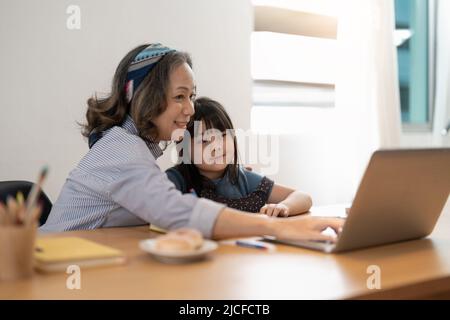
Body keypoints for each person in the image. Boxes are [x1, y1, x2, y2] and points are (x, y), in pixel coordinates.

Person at [40, 43, 344, 243]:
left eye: (192, 96)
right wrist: (280, 228)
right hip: (49, 271)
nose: (191, 108)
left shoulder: (133, 148)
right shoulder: (122, 150)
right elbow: (176, 210)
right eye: (179, 96)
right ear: (146, 97)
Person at [167, 97, 313, 217]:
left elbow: (303, 197)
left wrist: (283, 206)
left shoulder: (241, 177)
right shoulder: (177, 179)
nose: (217, 147)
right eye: (204, 140)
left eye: (223, 135)